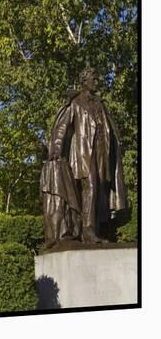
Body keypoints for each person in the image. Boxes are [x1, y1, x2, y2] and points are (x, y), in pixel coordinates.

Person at [41, 67, 127, 248]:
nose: (97, 82)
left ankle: (93, 229)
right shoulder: (76, 102)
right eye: (94, 79)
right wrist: (56, 149)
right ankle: (88, 232)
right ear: (85, 80)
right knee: (91, 188)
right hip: (82, 155)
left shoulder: (100, 104)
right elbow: (62, 128)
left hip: (101, 154)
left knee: (101, 191)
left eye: (98, 78)